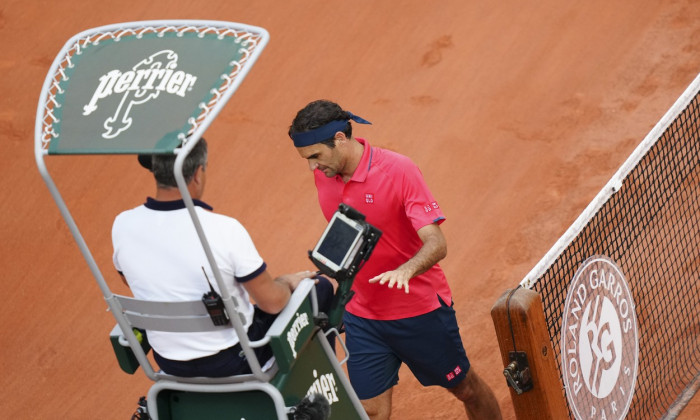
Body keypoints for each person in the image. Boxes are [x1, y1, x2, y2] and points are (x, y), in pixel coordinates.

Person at [288, 100, 503, 420]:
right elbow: (350, 236)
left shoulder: (398, 170)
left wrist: (406, 269)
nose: (312, 167)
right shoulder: (325, 174)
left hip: (418, 311)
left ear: (340, 140)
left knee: (465, 388)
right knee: (371, 412)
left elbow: (436, 242)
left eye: (315, 156)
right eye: (306, 160)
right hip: (363, 316)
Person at [112, 137, 333, 379]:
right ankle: (318, 386)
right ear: (198, 173)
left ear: (157, 174)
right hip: (234, 360)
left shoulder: (123, 224)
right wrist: (285, 282)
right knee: (316, 289)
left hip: (169, 363)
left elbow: (130, 280)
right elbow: (273, 303)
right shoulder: (223, 229)